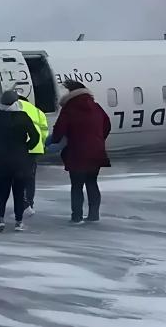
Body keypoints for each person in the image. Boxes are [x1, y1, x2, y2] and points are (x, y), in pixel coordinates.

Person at [48, 80, 111, 224]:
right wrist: (98, 140)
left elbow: (59, 130)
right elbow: (107, 125)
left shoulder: (69, 110)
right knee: (92, 183)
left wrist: (55, 141)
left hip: (76, 153)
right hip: (96, 152)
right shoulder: (96, 107)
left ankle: (76, 217)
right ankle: (94, 215)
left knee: (77, 186)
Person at [0, 91, 40, 232]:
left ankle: (1, 220)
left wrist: (1, 147)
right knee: (18, 192)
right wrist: (26, 147)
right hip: (20, 159)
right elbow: (35, 136)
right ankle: (18, 222)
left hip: (1, 159)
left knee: (1, 192)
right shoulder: (23, 117)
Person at [16, 95, 48, 217]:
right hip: (35, 148)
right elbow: (44, 131)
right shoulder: (37, 111)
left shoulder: (15, 109)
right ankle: (29, 203)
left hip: (19, 148)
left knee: (18, 177)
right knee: (30, 178)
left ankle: (21, 204)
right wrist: (42, 144)